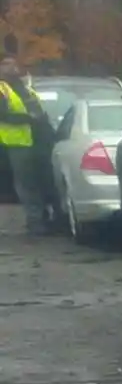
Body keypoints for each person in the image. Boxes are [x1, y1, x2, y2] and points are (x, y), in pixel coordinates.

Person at [1, 35, 55, 236]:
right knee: (27, 184)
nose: (11, 68)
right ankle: (35, 222)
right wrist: (28, 118)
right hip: (19, 144)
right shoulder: (1, 88)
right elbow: (3, 115)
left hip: (39, 141)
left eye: (13, 64)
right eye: (5, 64)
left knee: (45, 180)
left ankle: (51, 217)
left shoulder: (24, 86)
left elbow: (40, 110)